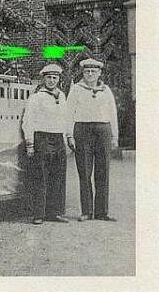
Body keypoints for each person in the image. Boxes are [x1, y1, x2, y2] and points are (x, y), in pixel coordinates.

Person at [22, 64, 76, 225]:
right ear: (43, 79)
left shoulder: (62, 96)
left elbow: (66, 118)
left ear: (59, 79)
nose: (52, 81)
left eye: (55, 78)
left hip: (58, 139)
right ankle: (38, 214)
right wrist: (30, 143)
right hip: (41, 138)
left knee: (58, 176)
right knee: (40, 177)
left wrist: (69, 136)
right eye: (49, 78)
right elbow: (28, 120)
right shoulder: (36, 97)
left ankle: (55, 212)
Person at [68, 58, 119, 222]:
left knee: (103, 171)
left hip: (103, 130)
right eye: (87, 71)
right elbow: (68, 113)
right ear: (83, 73)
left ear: (99, 73)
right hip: (82, 130)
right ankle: (87, 211)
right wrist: (69, 135)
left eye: (93, 72)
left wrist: (114, 136)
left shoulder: (106, 91)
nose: (90, 74)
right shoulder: (76, 89)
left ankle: (102, 212)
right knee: (84, 171)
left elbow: (113, 114)